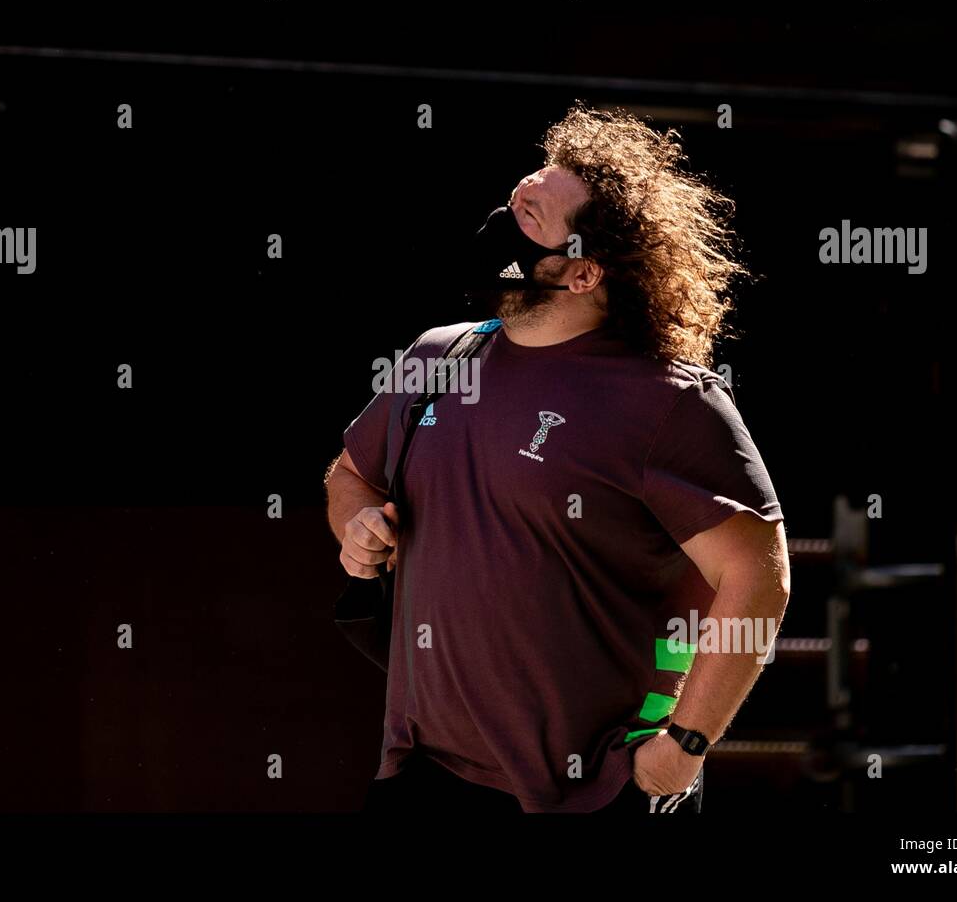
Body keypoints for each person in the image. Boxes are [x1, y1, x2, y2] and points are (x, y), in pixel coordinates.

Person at [324, 104, 790, 813]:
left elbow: (759, 579)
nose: (500, 226)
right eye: (513, 201)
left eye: (529, 220)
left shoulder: (669, 401)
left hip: (592, 793)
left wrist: (682, 751)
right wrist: (356, 524)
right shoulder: (438, 356)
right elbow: (349, 474)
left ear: (582, 274)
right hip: (420, 776)